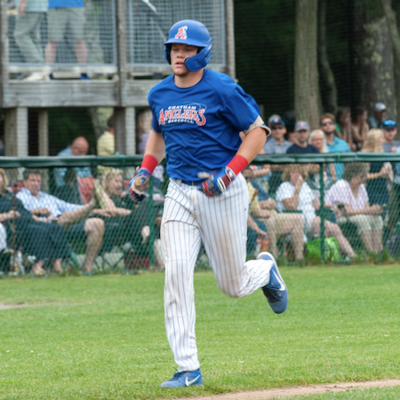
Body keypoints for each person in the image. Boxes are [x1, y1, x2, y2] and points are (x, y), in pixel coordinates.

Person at [128, 20, 288, 388]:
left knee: (231, 284)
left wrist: (230, 172)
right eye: (174, 48)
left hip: (221, 191)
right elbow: (158, 132)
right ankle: (188, 368)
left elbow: (258, 131)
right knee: (177, 272)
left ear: (203, 53)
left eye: (186, 49)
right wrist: (145, 170)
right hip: (180, 191)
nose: (178, 55)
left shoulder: (221, 88)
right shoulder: (160, 93)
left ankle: (264, 271)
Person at [16, 169, 106, 272]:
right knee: (66, 216)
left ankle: (87, 267)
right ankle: (92, 204)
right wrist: (38, 212)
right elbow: (22, 215)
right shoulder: (20, 197)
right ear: (25, 182)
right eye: (33, 180)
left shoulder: (47, 197)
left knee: (98, 223)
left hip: (66, 224)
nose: (36, 184)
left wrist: (96, 211)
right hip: (47, 226)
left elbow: (69, 206)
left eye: (38, 181)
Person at [276, 165, 355, 259]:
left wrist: (332, 206)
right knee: (318, 222)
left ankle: (353, 256)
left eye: (299, 172)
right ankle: (320, 257)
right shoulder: (284, 187)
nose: (296, 175)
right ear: (289, 174)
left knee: (334, 228)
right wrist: (297, 189)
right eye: (294, 172)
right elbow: (291, 206)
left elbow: (315, 203)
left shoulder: (305, 186)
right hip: (296, 220)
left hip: (311, 218)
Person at [0, 168, 71, 274]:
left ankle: (57, 265)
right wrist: (7, 215)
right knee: (39, 231)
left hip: (28, 219)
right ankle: (37, 267)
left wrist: (39, 217)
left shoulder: (8, 194)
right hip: (14, 226)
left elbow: (25, 210)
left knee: (56, 228)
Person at [100, 169, 165, 269]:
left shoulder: (124, 198)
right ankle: (159, 263)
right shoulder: (104, 197)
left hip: (134, 229)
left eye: (120, 182)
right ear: (107, 182)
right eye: (116, 181)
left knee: (143, 205)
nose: (119, 185)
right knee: (142, 208)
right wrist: (131, 212)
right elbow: (112, 210)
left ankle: (147, 235)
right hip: (118, 228)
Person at [245, 171, 305, 261]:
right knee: (270, 220)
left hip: (273, 213)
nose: (248, 180)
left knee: (297, 219)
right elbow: (250, 209)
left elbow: (272, 200)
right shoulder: (240, 189)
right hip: (259, 216)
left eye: (249, 178)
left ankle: (300, 260)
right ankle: (275, 258)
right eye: (246, 178)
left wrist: (270, 203)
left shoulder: (252, 185)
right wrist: (261, 205)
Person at [325, 163, 384, 254]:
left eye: (365, 176)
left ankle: (376, 255)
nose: (364, 179)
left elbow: (367, 208)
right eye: (361, 176)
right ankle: (370, 253)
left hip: (358, 216)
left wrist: (374, 210)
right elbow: (347, 211)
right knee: (362, 219)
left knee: (377, 219)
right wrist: (368, 211)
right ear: (353, 175)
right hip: (340, 217)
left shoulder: (361, 187)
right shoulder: (342, 185)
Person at [45, 0, 88, 66]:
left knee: (79, 40)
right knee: (53, 41)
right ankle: (48, 73)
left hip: (76, 5)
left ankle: (83, 72)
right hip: (55, 6)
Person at [14, 0, 47, 77]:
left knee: (20, 35)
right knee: (34, 38)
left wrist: (22, 3)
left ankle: (37, 67)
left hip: (29, 7)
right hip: (40, 7)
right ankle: (41, 69)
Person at [361, 129, 391, 211]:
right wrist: (380, 174)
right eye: (381, 138)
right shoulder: (366, 154)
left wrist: (387, 170)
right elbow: (363, 176)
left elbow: (387, 166)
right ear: (375, 139)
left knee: (384, 210)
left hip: (383, 187)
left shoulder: (381, 153)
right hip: (370, 188)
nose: (383, 140)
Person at [263, 117, 292, 195]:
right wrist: (288, 167)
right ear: (271, 131)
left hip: (291, 177)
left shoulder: (291, 145)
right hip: (274, 179)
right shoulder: (266, 146)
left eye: (280, 127)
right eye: (274, 128)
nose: (277, 130)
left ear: (285, 129)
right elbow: (270, 165)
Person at [320, 113, 351, 180]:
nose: (328, 125)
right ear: (321, 128)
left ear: (335, 126)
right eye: (324, 124)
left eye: (330, 123)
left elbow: (350, 164)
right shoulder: (318, 145)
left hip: (342, 182)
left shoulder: (343, 144)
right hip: (324, 182)